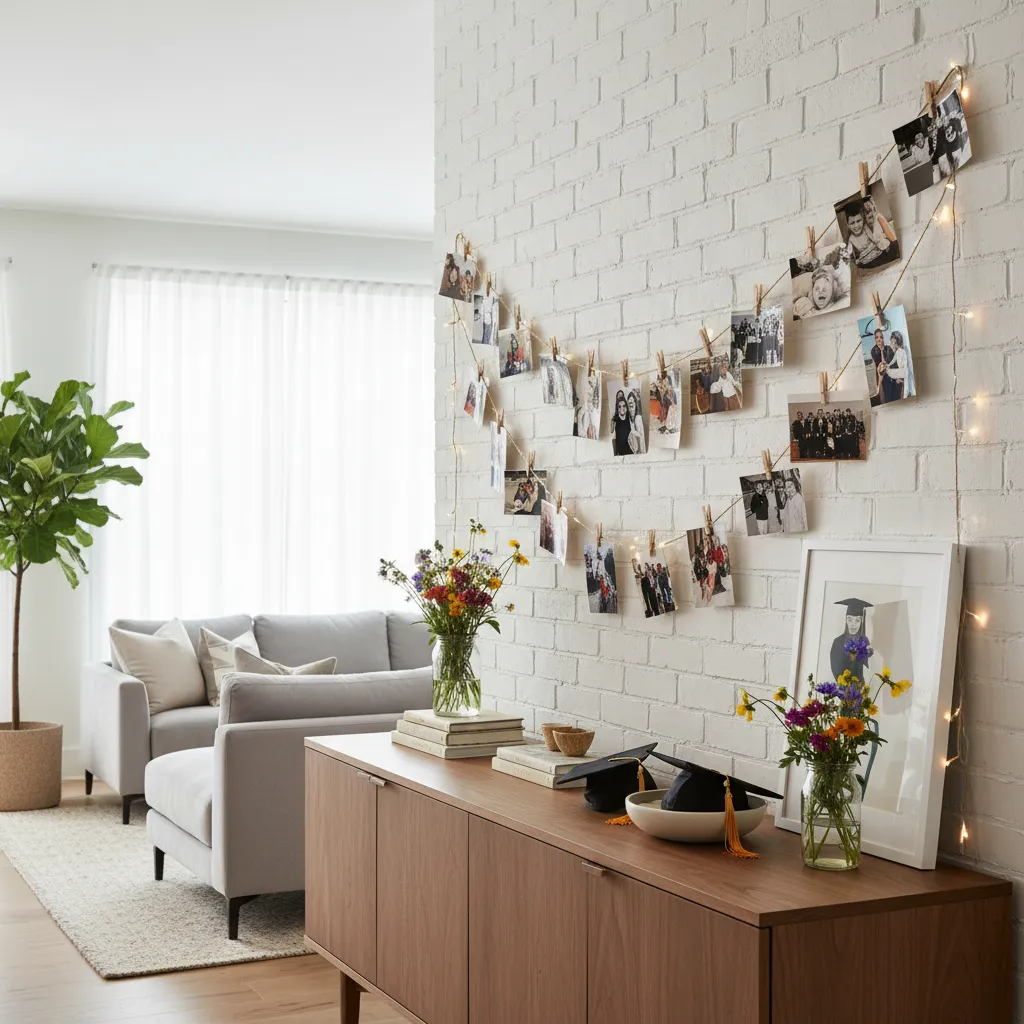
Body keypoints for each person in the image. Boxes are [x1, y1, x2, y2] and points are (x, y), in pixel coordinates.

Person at [884, 330, 910, 401]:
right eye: (891, 342)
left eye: (893, 342)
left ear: (897, 343)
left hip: (904, 376)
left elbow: (906, 372)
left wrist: (901, 380)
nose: (892, 344)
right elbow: (893, 360)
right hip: (901, 376)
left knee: (889, 372)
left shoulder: (903, 352)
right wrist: (888, 365)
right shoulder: (898, 352)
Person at [626, 389, 646, 454]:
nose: (631, 406)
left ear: (635, 404)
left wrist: (640, 451)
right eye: (629, 403)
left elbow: (641, 437)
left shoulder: (638, 418)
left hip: (639, 452)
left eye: (632, 403)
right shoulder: (628, 418)